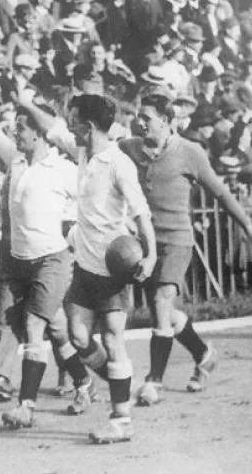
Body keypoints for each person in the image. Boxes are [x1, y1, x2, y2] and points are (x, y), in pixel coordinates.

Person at [0, 75, 93, 428]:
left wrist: (76, 235)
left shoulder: (64, 169)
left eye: (20, 128)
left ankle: (26, 406)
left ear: (37, 133)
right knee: (57, 332)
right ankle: (83, 380)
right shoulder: (16, 162)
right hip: (16, 262)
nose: (15, 133)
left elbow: (92, 204)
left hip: (51, 261)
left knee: (35, 326)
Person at [123, 93, 252, 405]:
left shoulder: (191, 152)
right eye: (139, 117)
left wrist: (247, 225)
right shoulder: (130, 148)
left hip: (177, 241)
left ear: (168, 121)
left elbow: (221, 193)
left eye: (147, 117)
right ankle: (203, 353)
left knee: (161, 301)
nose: (140, 122)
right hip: (145, 245)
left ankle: (153, 382)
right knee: (164, 313)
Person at [61, 94, 158, 444]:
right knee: (78, 336)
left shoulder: (119, 163)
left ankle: (121, 420)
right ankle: (123, 386)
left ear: (87, 127)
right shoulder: (84, 154)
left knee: (112, 339)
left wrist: (150, 257)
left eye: (73, 122)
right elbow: (50, 129)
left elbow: (141, 214)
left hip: (114, 269)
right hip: (85, 268)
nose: (69, 127)